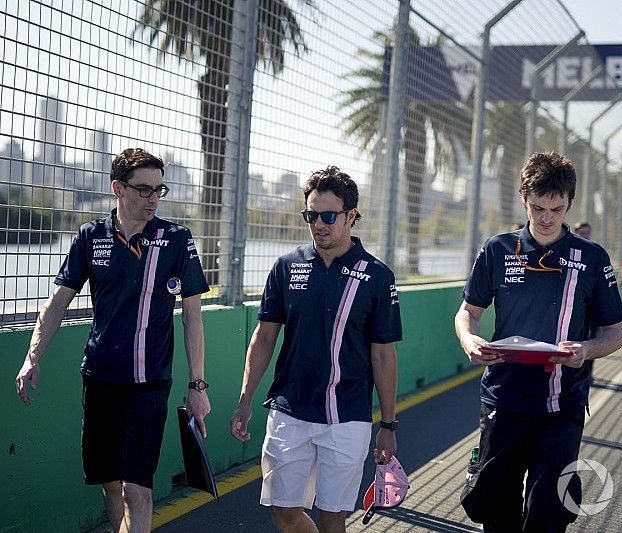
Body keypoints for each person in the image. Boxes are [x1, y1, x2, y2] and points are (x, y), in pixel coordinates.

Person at [15, 148, 211, 533]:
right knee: (110, 485)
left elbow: (192, 315)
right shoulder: (90, 237)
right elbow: (57, 303)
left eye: (160, 189)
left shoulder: (177, 239)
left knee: (139, 487)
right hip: (100, 379)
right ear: (117, 188)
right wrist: (32, 356)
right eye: (143, 189)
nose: (153, 197)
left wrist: (197, 384)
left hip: (149, 383)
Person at [454, 151, 622, 532]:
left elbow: (615, 334)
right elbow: (467, 312)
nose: (546, 218)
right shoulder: (497, 249)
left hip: (562, 404)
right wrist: (469, 339)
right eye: (538, 207)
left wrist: (586, 350)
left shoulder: (592, 258)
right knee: (494, 508)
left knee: (549, 514)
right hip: (504, 398)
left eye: (557, 208)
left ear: (568, 203)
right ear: (523, 199)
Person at [230, 165, 402, 533]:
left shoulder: (377, 276)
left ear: (351, 215)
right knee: (283, 513)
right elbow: (263, 336)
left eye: (328, 216)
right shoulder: (285, 267)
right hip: (289, 411)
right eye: (311, 215)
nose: (318, 224)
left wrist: (388, 424)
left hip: (348, 415)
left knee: (332, 517)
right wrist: (245, 400)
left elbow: (383, 356)